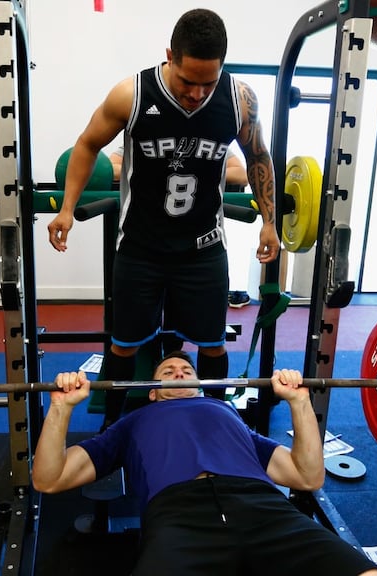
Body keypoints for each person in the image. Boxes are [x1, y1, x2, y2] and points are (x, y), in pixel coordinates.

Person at [47, 9, 281, 427]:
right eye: (187, 80)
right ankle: (112, 431)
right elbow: (86, 146)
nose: (196, 93)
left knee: (211, 347)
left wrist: (269, 220)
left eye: (207, 83)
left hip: (203, 249)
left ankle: (213, 424)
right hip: (141, 249)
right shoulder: (132, 94)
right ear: (169, 56)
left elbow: (259, 156)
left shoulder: (240, 100)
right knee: (123, 347)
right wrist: (67, 208)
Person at [33, 351, 377, 576]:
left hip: (263, 508)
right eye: (168, 371)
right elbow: (50, 479)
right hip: (178, 518)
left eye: (186, 370)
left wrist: (299, 401)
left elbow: (307, 476)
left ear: (201, 385)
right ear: (152, 391)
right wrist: (62, 408)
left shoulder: (226, 413)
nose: (179, 373)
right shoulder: (132, 423)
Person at [109, 144, 248, 187]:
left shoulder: (207, 141)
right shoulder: (146, 139)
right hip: (148, 223)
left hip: (198, 223)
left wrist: (194, 175)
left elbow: (241, 175)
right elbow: (110, 169)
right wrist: (154, 173)